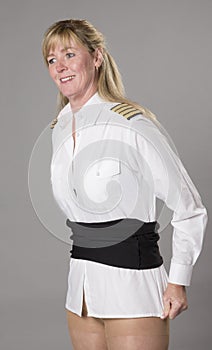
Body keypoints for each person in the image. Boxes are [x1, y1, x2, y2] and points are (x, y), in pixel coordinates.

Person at [42, 19, 208, 350]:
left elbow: (190, 208)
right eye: (51, 60)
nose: (60, 67)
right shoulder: (58, 129)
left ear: (97, 57)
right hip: (81, 291)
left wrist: (178, 280)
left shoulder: (132, 125)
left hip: (133, 285)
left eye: (70, 54)